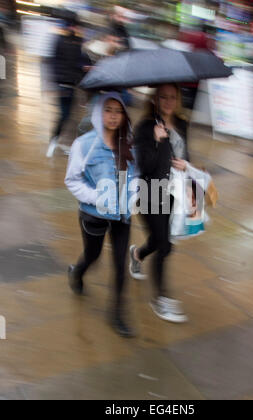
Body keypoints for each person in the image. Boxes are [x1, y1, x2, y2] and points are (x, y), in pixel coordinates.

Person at [65, 92, 136, 338]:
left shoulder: (129, 143)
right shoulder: (84, 144)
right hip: (93, 215)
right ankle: (77, 272)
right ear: (99, 112)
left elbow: (135, 176)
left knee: (119, 265)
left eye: (119, 111)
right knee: (93, 256)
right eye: (109, 110)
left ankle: (117, 314)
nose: (114, 116)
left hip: (122, 216)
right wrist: (97, 197)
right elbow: (72, 180)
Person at [129, 84, 190, 324]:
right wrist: (156, 141)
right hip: (150, 192)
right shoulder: (145, 127)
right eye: (162, 97)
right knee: (164, 246)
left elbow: (187, 154)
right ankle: (160, 299)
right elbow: (144, 166)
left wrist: (190, 172)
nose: (167, 101)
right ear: (154, 99)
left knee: (157, 240)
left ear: (177, 99)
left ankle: (137, 254)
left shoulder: (183, 123)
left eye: (172, 97)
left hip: (175, 193)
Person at [47, 16, 91, 158]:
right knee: (64, 115)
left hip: (71, 85)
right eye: (75, 26)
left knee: (69, 116)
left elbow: (78, 64)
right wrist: (56, 83)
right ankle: (54, 141)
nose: (76, 29)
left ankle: (59, 142)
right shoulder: (61, 41)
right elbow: (55, 63)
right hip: (64, 85)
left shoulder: (76, 43)